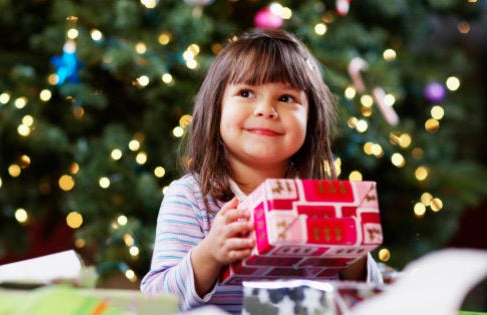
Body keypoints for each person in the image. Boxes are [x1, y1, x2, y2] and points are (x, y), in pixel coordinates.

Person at [140, 28, 382, 314]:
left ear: (311, 118)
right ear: (216, 109)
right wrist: (209, 254)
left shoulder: (321, 201)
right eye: (246, 93)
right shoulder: (191, 198)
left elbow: (371, 301)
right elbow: (155, 302)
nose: (266, 109)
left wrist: (353, 254)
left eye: (286, 98)